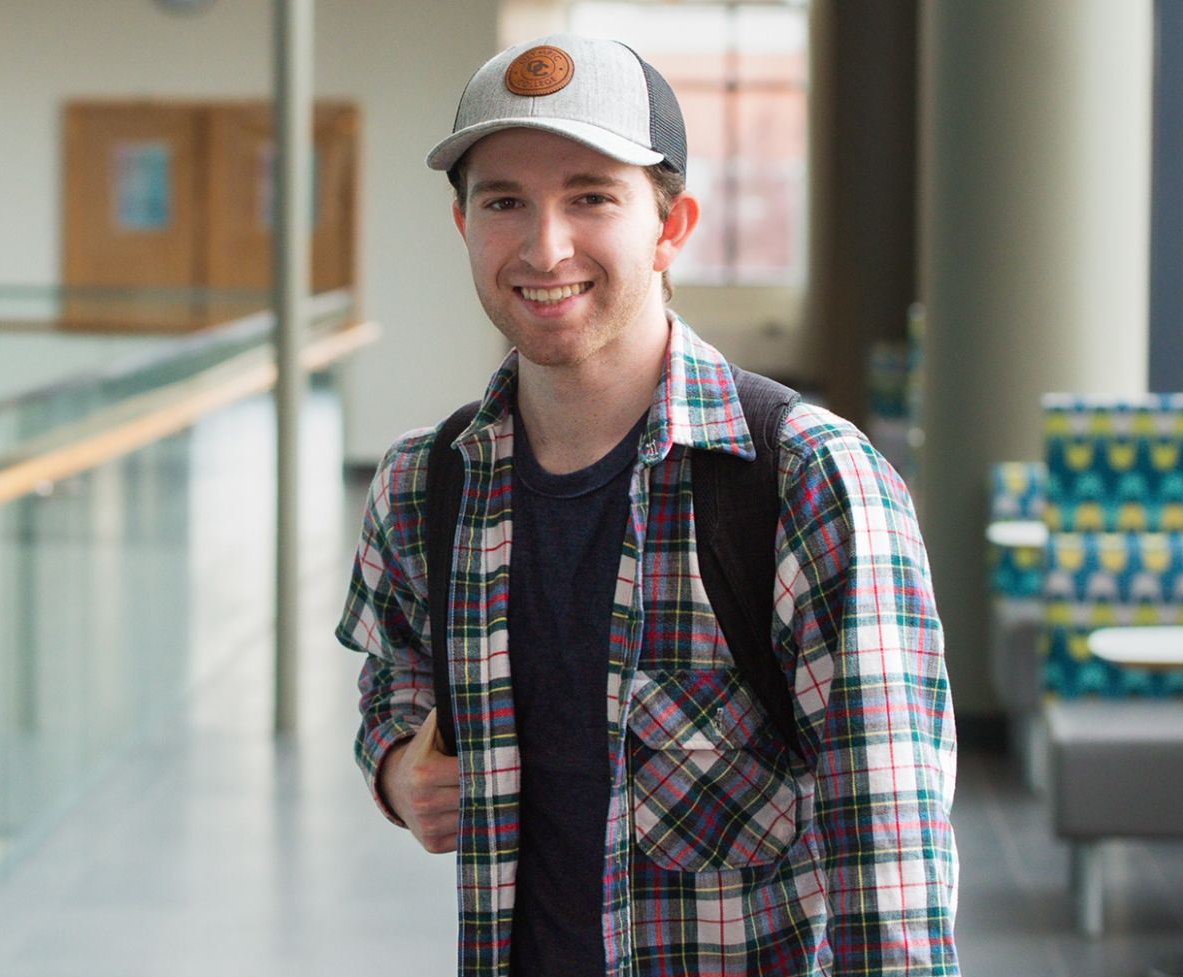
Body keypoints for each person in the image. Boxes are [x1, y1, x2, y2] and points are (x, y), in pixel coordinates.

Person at [337, 32, 958, 977]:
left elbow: (891, 871)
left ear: (672, 227)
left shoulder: (809, 481)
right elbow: (394, 674)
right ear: (464, 225)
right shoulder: (428, 481)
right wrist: (394, 764)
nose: (545, 247)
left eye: (591, 197)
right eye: (505, 201)